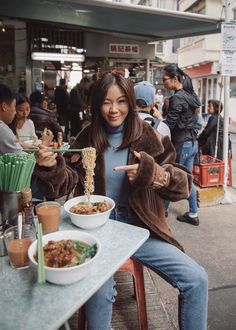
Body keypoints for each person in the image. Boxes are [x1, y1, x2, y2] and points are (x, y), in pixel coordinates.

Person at [34, 71, 208, 330]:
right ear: (96, 105)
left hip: (140, 228)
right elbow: (66, 182)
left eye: (121, 101)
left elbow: (183, 184)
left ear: (130, 101)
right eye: (106, 102)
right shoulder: (86, 138)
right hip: (96, 230)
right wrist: (51, 167)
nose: (114, 109)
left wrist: (153, 175)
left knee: (197, 279)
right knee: (99, 295)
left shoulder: (149, 136)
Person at [162, 64, 201, 226]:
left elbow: (170, 124)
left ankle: (162, 211)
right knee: (186, 178)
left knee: (170, 176)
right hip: (192, 143)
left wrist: (159, 122)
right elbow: (195, 109)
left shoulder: (178, 97)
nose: (163, 83)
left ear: (175, 78)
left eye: (165, 79)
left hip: (183, 144)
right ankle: (193, 214)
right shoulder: (190, 94)